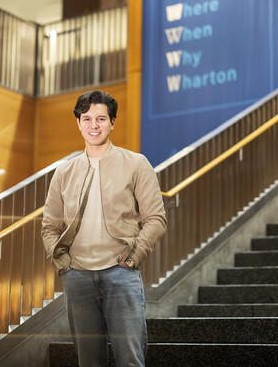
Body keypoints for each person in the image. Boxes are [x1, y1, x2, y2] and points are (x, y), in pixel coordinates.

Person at [41, 90, 167, 367]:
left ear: (112, 123)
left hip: (121, 272)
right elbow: (49, 226)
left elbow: (156, 219)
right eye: (87, 119)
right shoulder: (63, 172)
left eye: (101, 118)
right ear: (78, 123)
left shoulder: (136, 164)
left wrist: (133, 257)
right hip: (77, 277)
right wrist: (62, 262)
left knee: (130, 360)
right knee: (89, 362)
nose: (94, 125)